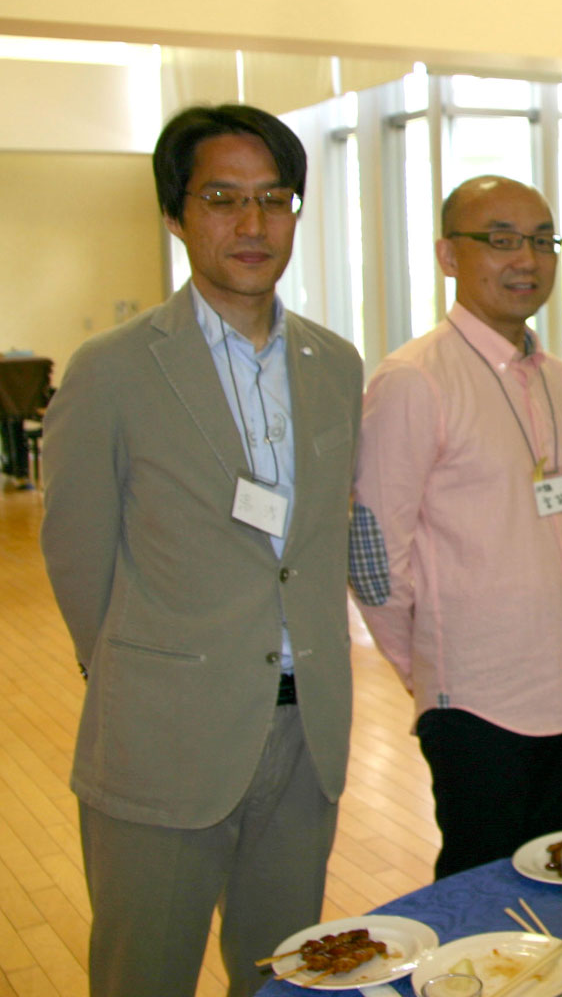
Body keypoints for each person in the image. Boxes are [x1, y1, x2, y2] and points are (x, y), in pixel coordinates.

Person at [40, 105, 363, 997]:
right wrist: (143, 673)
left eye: (274, 199)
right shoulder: (112, 368)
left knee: (286, 972)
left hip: (306, 732)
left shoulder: (335, 363)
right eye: (222, 199)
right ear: (175, 215)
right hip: (164, 734)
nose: (252, 223)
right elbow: (76, 552)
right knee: (144, 973)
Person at [350, 176, 562, 879]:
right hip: (480, 705)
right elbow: (373, 558)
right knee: (480, 894)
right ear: (448, 255)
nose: (526, 259)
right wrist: (431, 670)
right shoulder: (415, 380)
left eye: (542, 241)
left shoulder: (555, 377)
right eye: (500, 240)